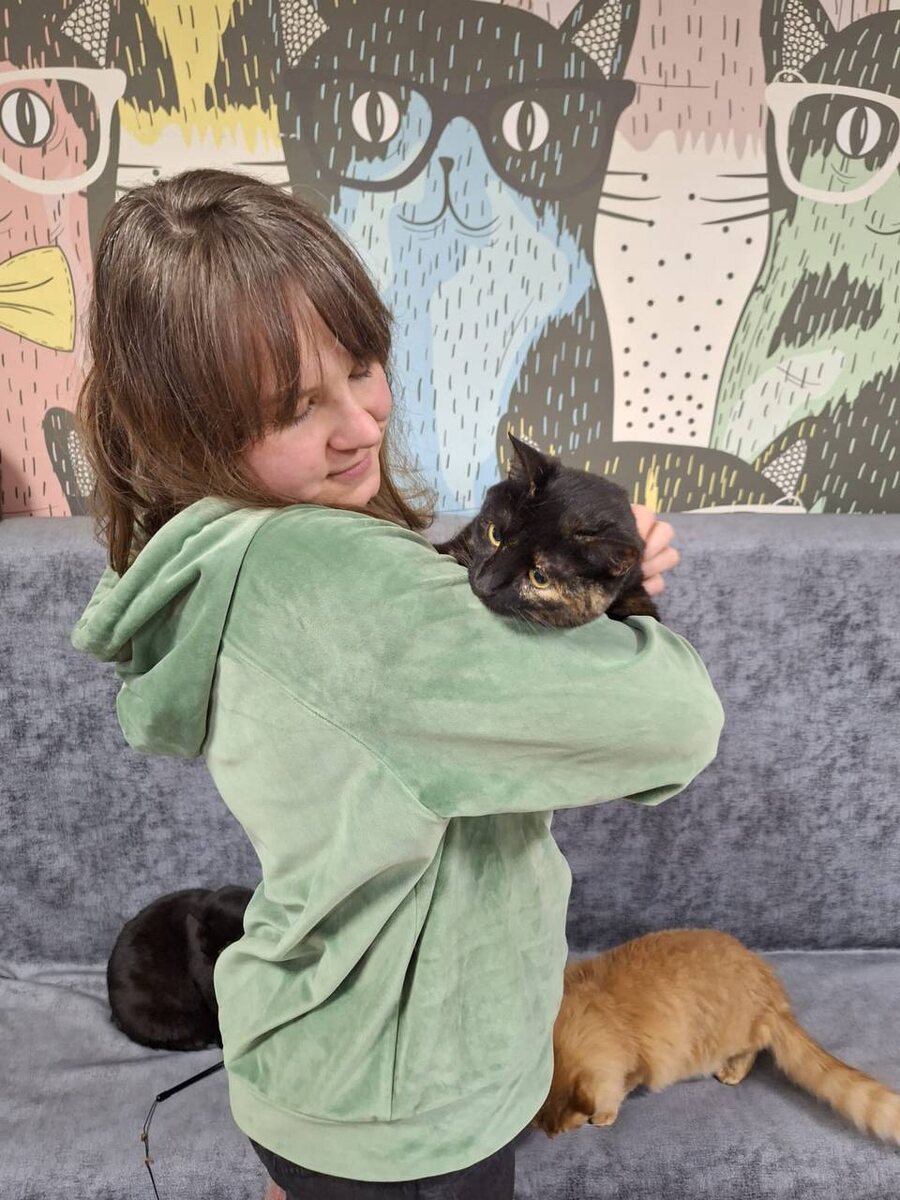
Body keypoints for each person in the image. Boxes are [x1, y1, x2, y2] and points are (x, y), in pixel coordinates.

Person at [70, 168, 722, 1200]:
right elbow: (677, 723)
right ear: (188, 430)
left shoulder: (216, 556)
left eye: (362, 365)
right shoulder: (341, 592)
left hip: (318, 1067)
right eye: (295, 408)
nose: (363, 425)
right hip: (409, 1109)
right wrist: (628, 609)